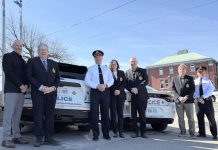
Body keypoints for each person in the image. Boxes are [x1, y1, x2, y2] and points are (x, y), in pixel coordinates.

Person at [27, 43, 60, 147]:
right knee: (38, 115)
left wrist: (53, 88)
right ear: (38, 51)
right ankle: (39, 138)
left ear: (48, 51)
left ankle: (49, 138)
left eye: (45, 49)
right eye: (41, 49)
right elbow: (30, 76)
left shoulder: (54, 63)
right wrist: (41, 87)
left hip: (51, 94)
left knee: (50, 116)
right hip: (38, 93)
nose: (43, 51)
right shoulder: (32, 61)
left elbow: (58, 78)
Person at [1, 40, 29, 148]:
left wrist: (26, 85)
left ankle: (16, 137)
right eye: (16, 45)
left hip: (21, 92)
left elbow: (26, 75)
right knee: (8, 115)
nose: (19, 47)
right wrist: (20, 85)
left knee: (17, 116)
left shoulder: (23, 60)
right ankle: (6, 139)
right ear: (12, 46)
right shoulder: (8, 56)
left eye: (20, 45)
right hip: (12, 90)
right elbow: (8, 72)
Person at [85, 50, 114, 141]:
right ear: (94, 58)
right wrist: (97, 86)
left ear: (102, 57)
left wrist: (105, 85)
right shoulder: (90, 69)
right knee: (94, 114)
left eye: (100, 56)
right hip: (95, 92)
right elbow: (87, 81)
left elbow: (111, 80)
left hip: (105, 92)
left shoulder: (106, 69)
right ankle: (95, 135)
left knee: (105, 113)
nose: (98, 58)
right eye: (96, 56)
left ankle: (106, 134)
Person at [125, 57, 148, 138]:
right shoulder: (127, 72)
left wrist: (137, 88)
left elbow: (146, 81)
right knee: (133, 116)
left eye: (134, 61)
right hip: (133, 97)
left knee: (142, 115)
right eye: (131, 61)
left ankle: (143, 132)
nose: (133, 63)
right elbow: (126, 84)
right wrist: (132, 90)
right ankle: (135, 132)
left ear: (137, 62)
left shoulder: (143, 70)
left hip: (142, 97)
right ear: (129, 63)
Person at [171, 63, 196, 138]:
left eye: (183, 69)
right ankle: (183, 132)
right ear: (178, 70)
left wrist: (186, 97)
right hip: (178, 101)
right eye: (180, 69)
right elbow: (173, 89)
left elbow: (192, 89)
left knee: (190, 118)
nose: (182, 70)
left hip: (188, 101)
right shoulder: (174, 79)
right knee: (180, 118)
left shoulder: (190, 78)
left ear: (185, 70)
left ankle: (192, 133)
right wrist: (179, 97)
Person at [194, 66, 217, 140]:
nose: (201, 72)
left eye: (202, 71)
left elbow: (211, 90)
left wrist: (203, 97)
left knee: (211, 118)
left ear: (205, 72)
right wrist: (198, 98)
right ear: (197, 73)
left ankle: (214, 134)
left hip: (207, 102)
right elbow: (193, 92)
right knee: (200, 118)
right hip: (198, 102)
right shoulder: (194, 82)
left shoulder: (208, 81)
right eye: (199, 71)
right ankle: (202, 133)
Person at [109, 59, 126, 138]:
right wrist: (114, 90)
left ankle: (121, 132)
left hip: (121, 96)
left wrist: (119, 90)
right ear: (111, 65)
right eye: (112, 64)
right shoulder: (108, 73)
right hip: (112, 96)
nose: (113, 65)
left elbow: (124, 83)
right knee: (113, 114)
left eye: (115, 64)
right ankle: (115, 131)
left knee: (120, 114)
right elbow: (108, 83)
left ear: (117, 65)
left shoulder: (121, 72)